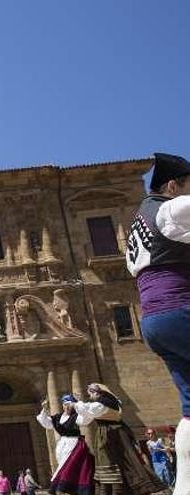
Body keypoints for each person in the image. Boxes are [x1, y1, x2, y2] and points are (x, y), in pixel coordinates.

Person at [126, 152, 190, 495]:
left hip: (153, 321)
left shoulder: (138, 222)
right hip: (180, 310)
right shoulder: (170, 208)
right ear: (171, 185)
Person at [73, 383, 166, 495]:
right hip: (107, 435)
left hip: (114, 434)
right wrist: (77, 406)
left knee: (124, 461)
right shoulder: (99, 404)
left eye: (91, 393)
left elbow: (88, 409)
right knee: (110, 462)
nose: (90, 396)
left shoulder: (105, 403)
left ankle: (126, 490)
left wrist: (76, 403)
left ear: (97, 392)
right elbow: (83, 420)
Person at [35, 394, 94, 495]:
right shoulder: (58, 418)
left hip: (75, 445)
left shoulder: (76, 417)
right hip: (62, 446)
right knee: (65, 467)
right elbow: (46, 423)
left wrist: (80, 404)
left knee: (67, 468)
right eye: (65, 404)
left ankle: (64, 488)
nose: (66, 407)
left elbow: (86, 419)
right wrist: (44, 409)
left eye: (69, 404)